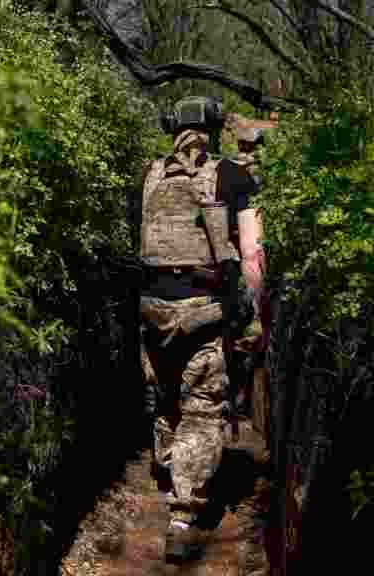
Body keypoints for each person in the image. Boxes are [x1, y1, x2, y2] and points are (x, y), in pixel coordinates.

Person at [130, 96, 269, 564]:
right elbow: (252, 254)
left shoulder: (148, 175)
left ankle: (168, 470)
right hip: (203, 310)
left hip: (151, 309)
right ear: (214, 130)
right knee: (203, 409)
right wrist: (253, 311)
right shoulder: (233, 176)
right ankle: (183, 516)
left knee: (166, 397)